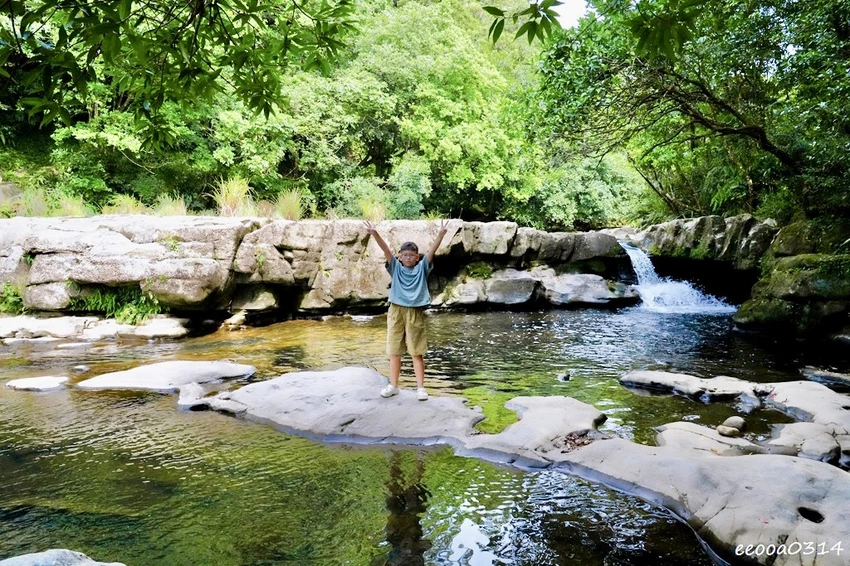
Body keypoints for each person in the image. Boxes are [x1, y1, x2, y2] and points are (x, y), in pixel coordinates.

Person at [364, 220, 448, 400]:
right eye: (405, 255)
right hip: (395, 311)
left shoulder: (422, 268)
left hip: (414, 312)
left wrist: (441, 235)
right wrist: (375, 233)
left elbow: (432, 253)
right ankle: (393, 386)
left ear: (417, 257)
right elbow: (386, 251)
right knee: (394, 350)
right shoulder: (395, 268)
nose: (408, 257)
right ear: (400, 257)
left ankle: (420, 388)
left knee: (416, 351)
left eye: (411, 255)